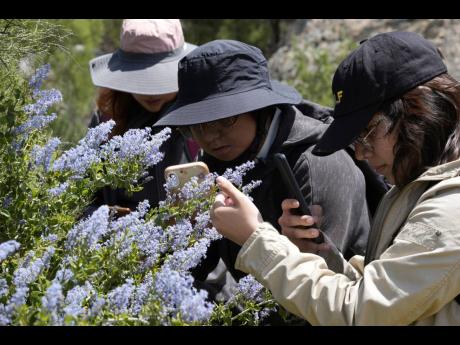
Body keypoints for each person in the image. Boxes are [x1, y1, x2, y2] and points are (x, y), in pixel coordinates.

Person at [210, 31, 460, 325]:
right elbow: (385, 293)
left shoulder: (449, 209)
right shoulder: (415, 189)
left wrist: (256, 240)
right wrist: (318, 254)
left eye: (367, 133)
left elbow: (360, 313)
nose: (361, 154)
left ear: (418, 112)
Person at [154, 40, 372, 287]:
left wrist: (258, 238)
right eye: (198, 124)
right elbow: (193, 269)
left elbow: (322, 292)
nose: (211, 136)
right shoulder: (218, 159)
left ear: (259, 109)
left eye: (225, 120)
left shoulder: (316, 164)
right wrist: (186, 231)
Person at [86, 19, 197, 215]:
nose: (151, 92)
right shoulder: (106, 120)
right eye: (141, 79)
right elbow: (84, 195)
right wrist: (109, 217)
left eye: (160, 79)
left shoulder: (201, 117)